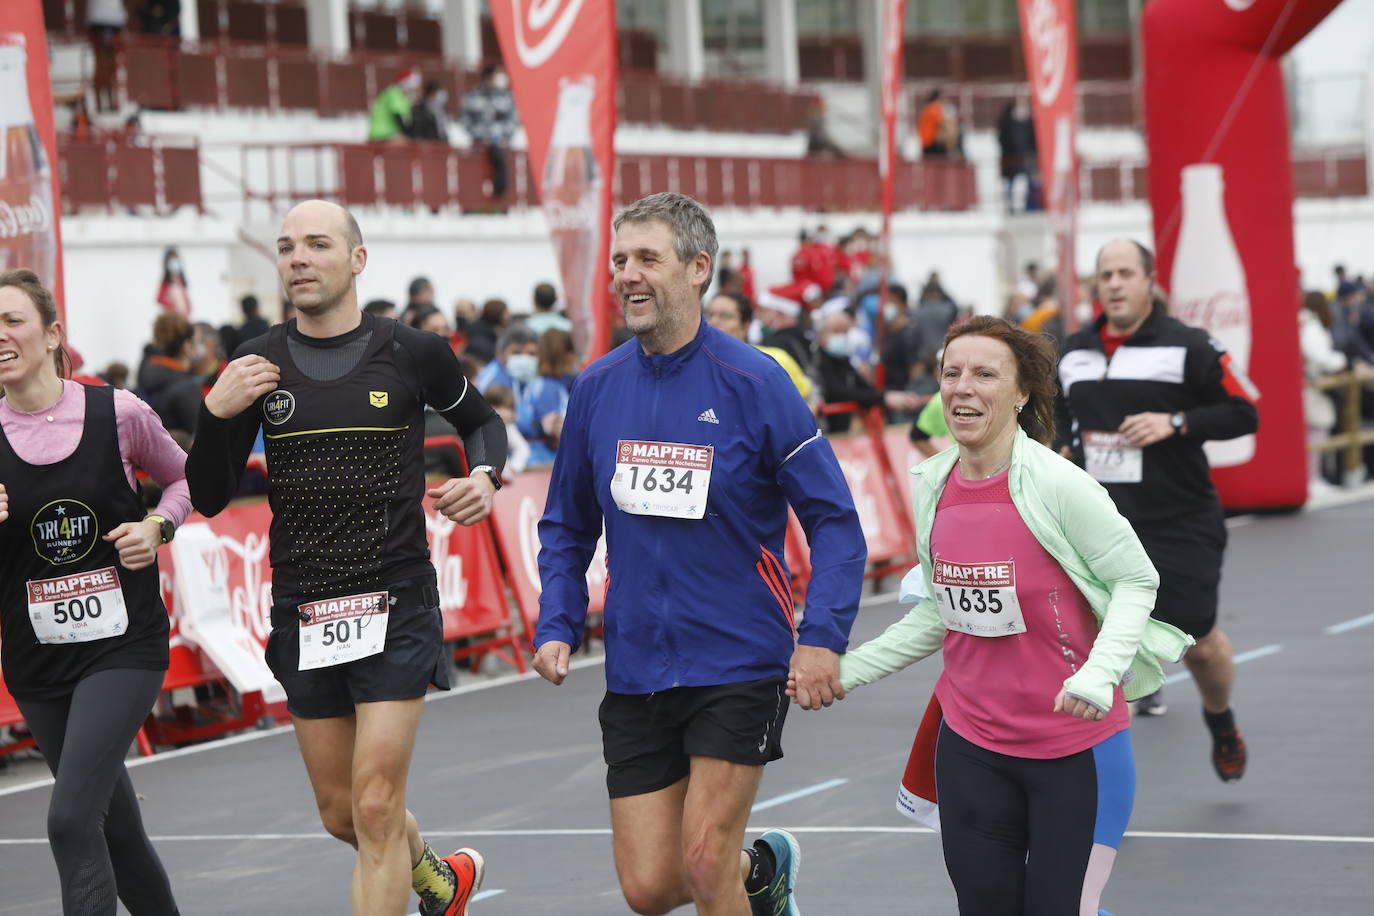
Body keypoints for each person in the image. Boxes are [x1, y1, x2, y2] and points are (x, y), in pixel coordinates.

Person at [533, 192, 867, 916]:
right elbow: (565, 523)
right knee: (652, 887)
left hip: (738, 657)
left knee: (703, 858)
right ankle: (763, 873)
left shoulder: (758, 382)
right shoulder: (595, 388)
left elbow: (835, 522)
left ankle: (734, 871)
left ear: (697, 269)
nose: (628, 274)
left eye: (647, 258)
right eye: (620, 260)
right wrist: (558, 620)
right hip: (636, 662)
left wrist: (823, 637)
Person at [801, 315, 1191, 916]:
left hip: (1074, 748)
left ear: (1021, 392)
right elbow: (939, 611)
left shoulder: (1060, 485)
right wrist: (845, 672)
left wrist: (1097, 675)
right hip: (973, 745)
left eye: (985, 374)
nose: (964, 388)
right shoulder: (934, 484)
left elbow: (1137, 580)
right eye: (951, 374)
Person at [185, 199, 508, 916]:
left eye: (317, 244)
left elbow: (483, 425)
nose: (298, 257)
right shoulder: (256, 364)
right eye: (287, 246)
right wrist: (215, 414)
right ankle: (440, 881)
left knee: (375, 802)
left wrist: (485, 478)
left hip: (394, 600)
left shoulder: (411, 351)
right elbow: (208, 497)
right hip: (304, 606)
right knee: (344, 814)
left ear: (356, 260)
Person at [0, 268, 187, 915]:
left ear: (52, 334)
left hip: (122, 647)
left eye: (12, 320)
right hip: (38, 661)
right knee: (117, 832)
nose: (0, 336)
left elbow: (184, 482)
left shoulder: (119, 412)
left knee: (70, 817)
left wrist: (157, 525)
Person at [1054, 238, 1258, 781]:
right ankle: (1095, 779)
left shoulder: (1190, 345)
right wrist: (1066, 448)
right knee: (1094, 655)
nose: (1114, 284)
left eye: (1125, 273)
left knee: (1201, 647)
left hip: (1180, 520)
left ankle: (1220, 720)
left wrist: (1178, 423)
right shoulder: (1072, 352)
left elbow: (1245, 410)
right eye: (1105, 275)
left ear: (1149, 280)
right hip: (1099, 528)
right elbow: (1059, 421)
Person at [815, 309, 920, 433]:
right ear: (821, 335)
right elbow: (837, 392)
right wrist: (884, 398)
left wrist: (892, 396)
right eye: (837, 331)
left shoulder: (842, 359)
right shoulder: (816, 361)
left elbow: (864, 388)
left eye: (845, 332)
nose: (842, 336)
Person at [705, 290, 813, 400]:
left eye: (725, 316)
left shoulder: (776, 359)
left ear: (745, 325)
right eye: (710, 315)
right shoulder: (697, 362)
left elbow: (806, 402)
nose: (713, 321)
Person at [135, 310, 205, 446]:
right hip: (180, 459)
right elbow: (201, 434)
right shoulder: (186, 387)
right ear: (186, 346)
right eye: (196, 343)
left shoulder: (146, 375)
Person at [458, 64, 520, 207]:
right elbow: (464, 120)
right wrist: (478, 133)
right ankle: (471, 204)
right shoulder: (473, 96)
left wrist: (504, 135)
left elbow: (514, 120)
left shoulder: (506, 96)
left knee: (500, 163)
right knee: (472, 170)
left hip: (500, 143)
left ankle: (501, 199)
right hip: (477, 143)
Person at [368, 67, 422, 143]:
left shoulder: (402, 97)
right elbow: (398, 117)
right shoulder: (394, 92)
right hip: (381, 134)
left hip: (388, 133)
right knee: (410, 145)